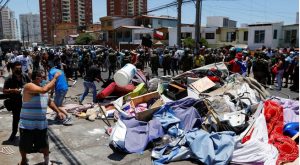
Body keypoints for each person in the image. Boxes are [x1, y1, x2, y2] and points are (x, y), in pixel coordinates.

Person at [18, 71, 64, 165]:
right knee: (24, 146)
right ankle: (23, 161)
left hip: (41, 124)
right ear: (34, 78)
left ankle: (47, 161)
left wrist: (58, 112)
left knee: (44, 144)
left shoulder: (43, 88)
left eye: (43, 77)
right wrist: (55, 78)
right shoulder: (28, 86)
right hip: (27, 125)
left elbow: (49, 102)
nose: (42, 79)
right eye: (40, 77)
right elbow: (44, 90)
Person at [2, 61, 31, 142]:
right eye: (17, 69)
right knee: (16, 119)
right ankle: (14, 133)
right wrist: (13, 90)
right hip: (15, 102)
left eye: (20, 68)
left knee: (26, 118)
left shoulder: (25, 76)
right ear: (13, 69)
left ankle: (27, 133)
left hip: (26, 102)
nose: (19, 70)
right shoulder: (9, 78)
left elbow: (31, 85)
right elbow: (4, 90)